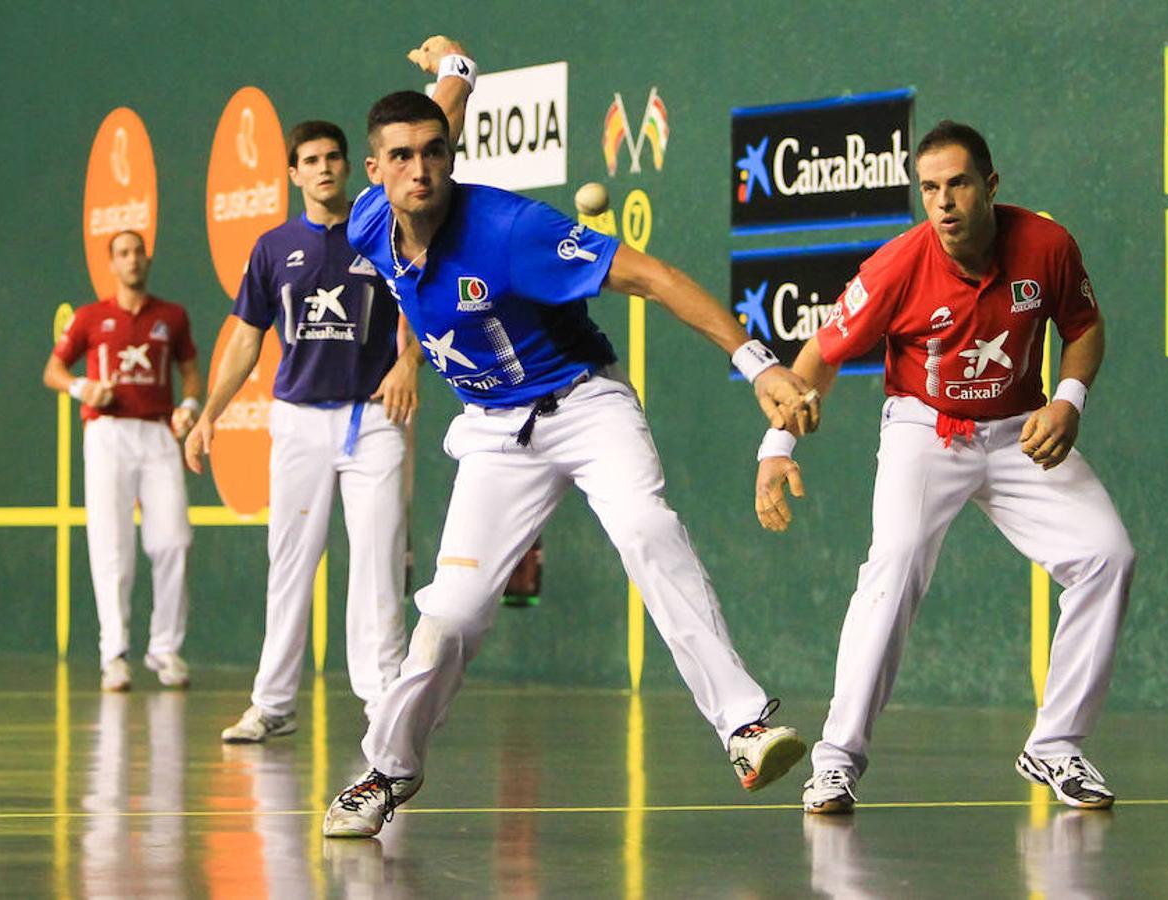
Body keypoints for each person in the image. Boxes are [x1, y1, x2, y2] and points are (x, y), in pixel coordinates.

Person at [320, 87, 819, 838]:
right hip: (492, 431)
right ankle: (388, 769)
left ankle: (744, 725)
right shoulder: (369, 220)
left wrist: (758, 364)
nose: (420, 169)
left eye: (434, 152)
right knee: (451, 612)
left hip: (585, 406)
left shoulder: (512, 230)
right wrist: (453, 71)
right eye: (401, 157)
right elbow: (437, 117)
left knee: (648, 530)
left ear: (451, 157)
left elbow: (651, 276)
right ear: (374, 169)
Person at [754, 121, 1134, 812]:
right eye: (929, 189)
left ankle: (1056, 745)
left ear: (990, 186)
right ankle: (836, 761)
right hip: (925, 431)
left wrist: (1070, 401)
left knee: (1107, 554)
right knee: (894, 566)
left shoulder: (1047, 246)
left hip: (1022, 429)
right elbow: (821, 357)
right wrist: (776, 447)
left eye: (958, 184)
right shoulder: (898, 266)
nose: (944, 203)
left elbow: (1082, 325)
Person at [185, 37, 474, 744]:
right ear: (293, 175)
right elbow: (248, 338)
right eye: (310, 161)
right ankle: (271, 702)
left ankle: (382, 706)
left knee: (378, 566)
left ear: (354, 168)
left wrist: (409, 362)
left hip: (373, 419)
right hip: (297, 421)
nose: (323, 169)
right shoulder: (271, 248)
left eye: (333, 159)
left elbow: (419, 299)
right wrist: (208, 414)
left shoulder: (380, 225)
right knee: (291, 562)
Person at [44, 230, 202, 691]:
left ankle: (165, 648)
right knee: (112, 546)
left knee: (174, 540)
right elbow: (53, 370)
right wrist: (81, 387)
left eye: (137, 253)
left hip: (156, 434)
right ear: (111, 264)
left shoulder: (171, 317)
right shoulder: (90, 317)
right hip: (107, 434)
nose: (132, 261)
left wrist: (189, 407)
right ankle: (113, 652)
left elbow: (190, 372)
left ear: (147, 260)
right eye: (122, 254)